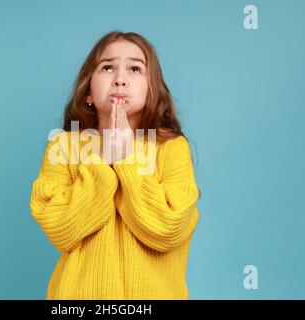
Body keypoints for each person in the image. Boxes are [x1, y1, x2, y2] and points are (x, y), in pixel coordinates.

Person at [30, 30, 201, 300]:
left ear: (152, 90)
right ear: (88, 91)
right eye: (107, 67)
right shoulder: (63, 147)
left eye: (135, 69)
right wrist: (100, 162)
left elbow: (167, 228)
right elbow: (60, 227)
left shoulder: (171, 148)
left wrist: (125, 161)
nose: (120, 79)